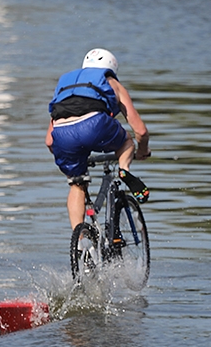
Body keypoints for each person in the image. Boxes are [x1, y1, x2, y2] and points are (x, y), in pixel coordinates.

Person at [46, 48, 151, 230]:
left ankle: (80, 242)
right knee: (127, 140)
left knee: (77, 184)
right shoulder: (111, 82)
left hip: (62, 133)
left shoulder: (65, 83)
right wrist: (142, 151)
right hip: (94, 125)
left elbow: (49, 141)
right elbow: (140, 131)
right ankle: (124, 170)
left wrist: (73, 162)